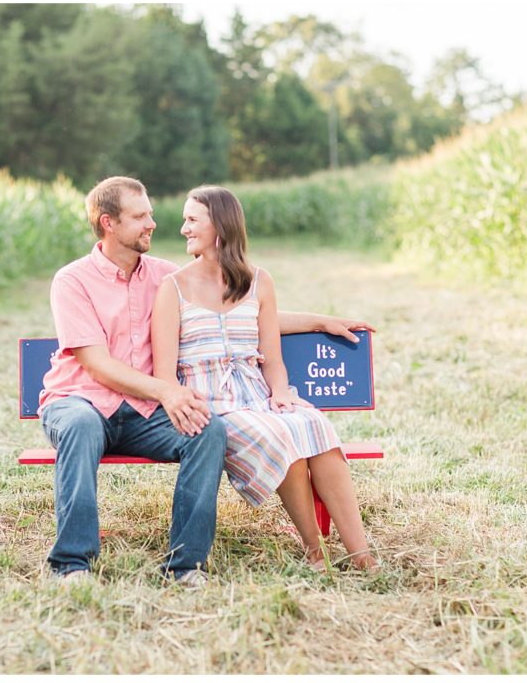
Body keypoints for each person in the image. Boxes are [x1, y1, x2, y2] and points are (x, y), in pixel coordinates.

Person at [39, 176, 374, 585]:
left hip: (145, 409)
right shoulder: (73, 280)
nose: (153, 223)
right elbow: (95, 364)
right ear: (108, 223)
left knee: (207, 431)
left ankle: (185, 566)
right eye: (141, 215)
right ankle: (72, 564)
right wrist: (168, 390)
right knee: (81, 425)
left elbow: (238, 316)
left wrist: (320, 320)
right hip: (84, 400)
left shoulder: (165, 276)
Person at [151, 185, 379, 572]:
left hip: (256, 395)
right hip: (211, 405)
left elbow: (271, 358)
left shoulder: (259, 281)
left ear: (220, 226)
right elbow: (163, 371)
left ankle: (361, 554)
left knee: (314, 425)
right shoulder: (173, 288)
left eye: (192, 220)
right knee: (279, 435)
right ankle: (314, 550)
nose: (183, 229)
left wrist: (279, 393)